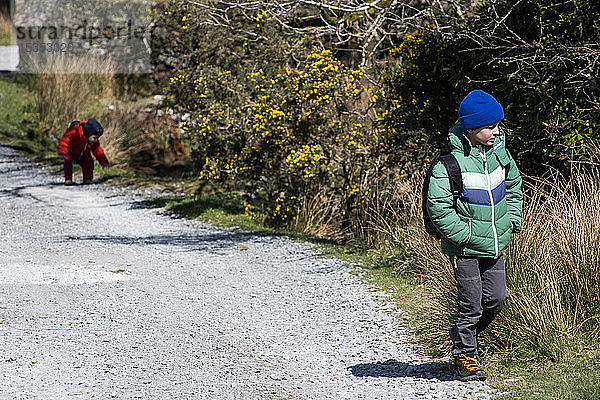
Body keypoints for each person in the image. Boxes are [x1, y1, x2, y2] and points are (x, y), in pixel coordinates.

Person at [425, 90, 523, 381]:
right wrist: (464, 235)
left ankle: (461, 340)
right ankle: (465, 357)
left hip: (495, 245)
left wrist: (513, 219)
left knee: (496, 299)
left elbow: (514, 186)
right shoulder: (449, 164)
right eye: (490, 126)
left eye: (497, 125)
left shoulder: (501, 156)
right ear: (470, 128)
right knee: (472, 304)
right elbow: (438, 206)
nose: (496, 131)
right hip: (465, 250)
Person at [58, 119, 109, 185]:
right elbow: (65, 141)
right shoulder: (75, 132)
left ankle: (87, 179)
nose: (96, 140)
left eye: (97, 138)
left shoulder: (93, 142)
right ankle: (68, 179)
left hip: (83, 155)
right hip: (71, 153)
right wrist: (62, 152)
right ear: (88, 133)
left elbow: (98, 151)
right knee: (68, 160)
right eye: (94, 138)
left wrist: (104, 162)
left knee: (89, 160)